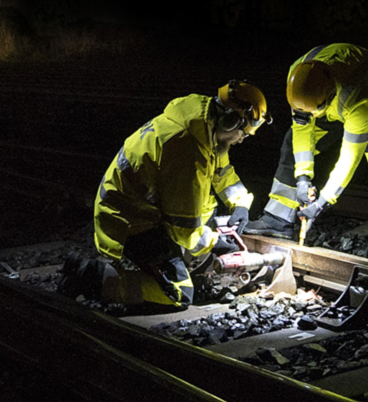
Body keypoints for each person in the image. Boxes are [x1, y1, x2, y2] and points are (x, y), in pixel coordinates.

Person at [58, 82, 268, 311]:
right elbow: (184, 228)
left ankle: (181, 262)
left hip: (140, 210)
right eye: (243, 135)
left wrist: (240, 205)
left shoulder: (203, 126)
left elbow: (223, 173)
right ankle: (91, 276)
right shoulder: (187, 150)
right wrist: (214, 242)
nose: (240, 140)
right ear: (231, 121)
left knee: (207, 214)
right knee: (178, 295)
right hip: (129, 222)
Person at [249, 43, 368, 264]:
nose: (307, 115)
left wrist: (323, 201)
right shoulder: (299, 79)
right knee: (293, 143)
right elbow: (302, 129)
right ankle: (277, 220)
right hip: (334, 105)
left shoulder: (358, 93)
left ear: (328, 97)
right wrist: (302, 178)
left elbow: (350, 156)